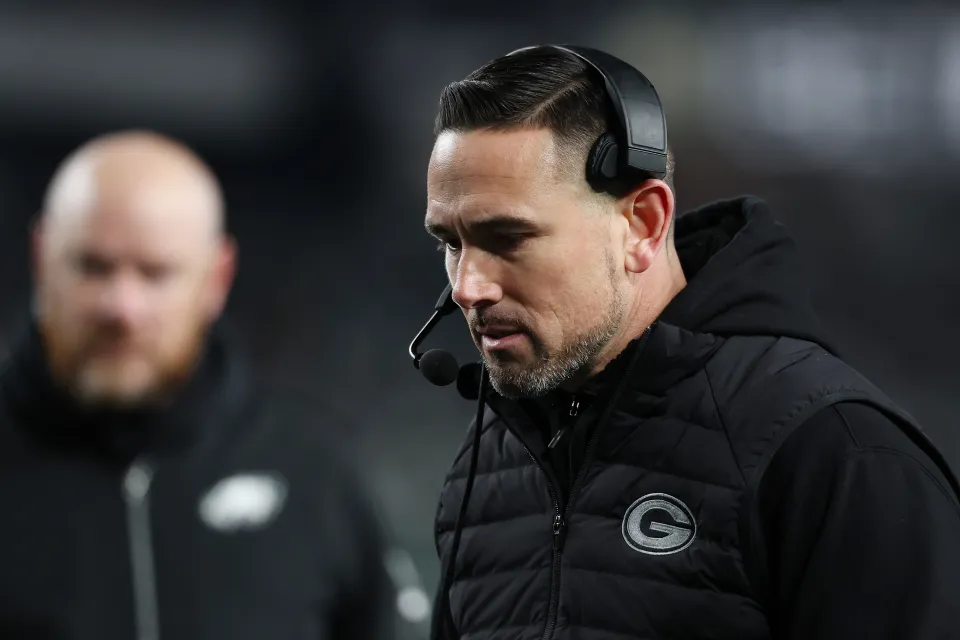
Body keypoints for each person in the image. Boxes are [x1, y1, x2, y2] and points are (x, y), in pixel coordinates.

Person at [422, 46, 960, 639]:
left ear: (643, 224)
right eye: (451, 243)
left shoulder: (834, 453)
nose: (467, 287)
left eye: (507, 238)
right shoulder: (486, 468)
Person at [0, 130, 395, 639]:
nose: (122, 307)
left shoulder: (314, 474)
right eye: (92, 267)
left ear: (217, 277)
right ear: (41, 256)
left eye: (155, 273)